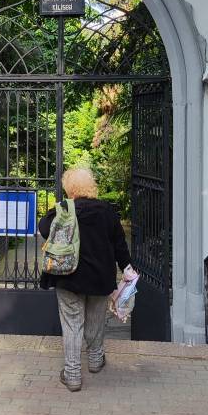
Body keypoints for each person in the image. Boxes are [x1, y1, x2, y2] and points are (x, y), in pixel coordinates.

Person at [38, 166, 130, 392]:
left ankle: (72, 374)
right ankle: (96, 361)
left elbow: (43, 228)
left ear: (69, 188)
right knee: (96, 321)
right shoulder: (106, 211)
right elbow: (119, 243)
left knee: (72, 324)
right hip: (100, 278)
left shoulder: (62, 209)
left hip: (68, 276)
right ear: (92, 187)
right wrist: (126, 267)